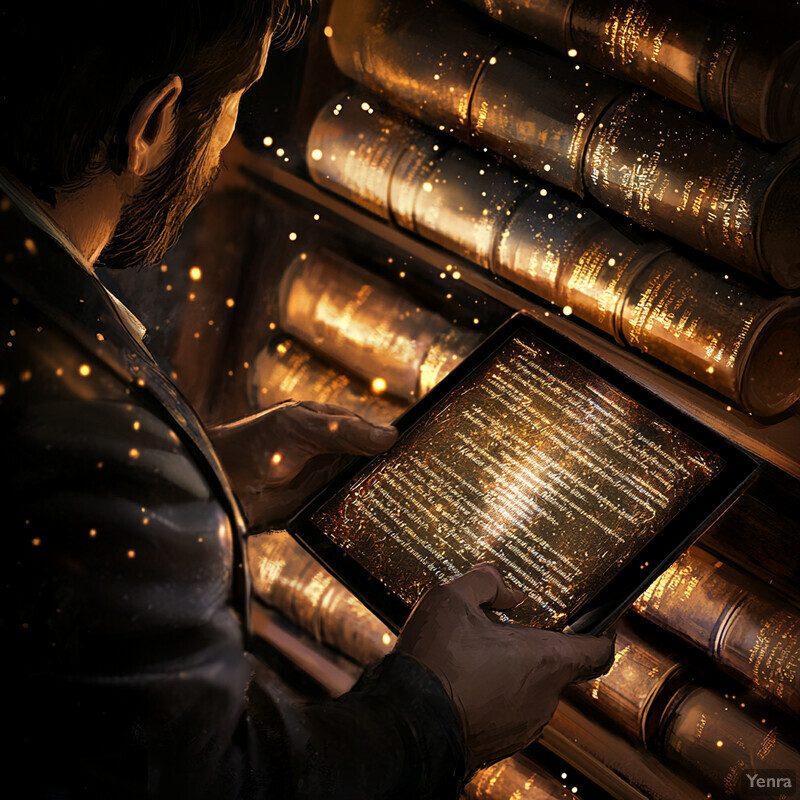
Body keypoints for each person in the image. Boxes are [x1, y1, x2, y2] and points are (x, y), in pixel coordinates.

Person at [0, 2, 614, 798]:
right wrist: (436, 716)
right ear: (151, 123)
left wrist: (208, 481)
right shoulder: (90, 435)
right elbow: (211, 784)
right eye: (234, 101)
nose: (226, 144)